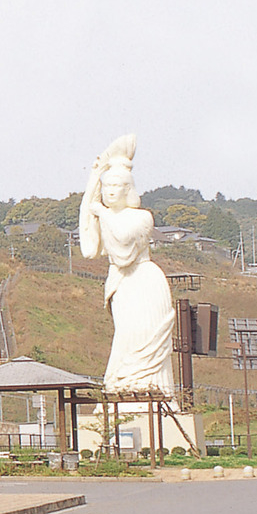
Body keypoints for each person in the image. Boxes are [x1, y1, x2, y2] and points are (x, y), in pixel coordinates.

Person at [78, 135, 176, 398]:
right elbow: (89, 249)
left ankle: (153, 392)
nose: (111, 191)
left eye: (117, 186)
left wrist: (103, 212)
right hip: (121, 283)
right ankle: (123, 389)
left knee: (144, 334)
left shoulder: (142, 217)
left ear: (128, 189)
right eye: (106, 186)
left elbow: (123, 249)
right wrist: (92, 185)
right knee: (125, 335)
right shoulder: (103, 214)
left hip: (144, 280)